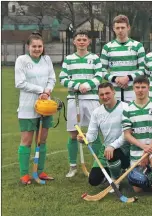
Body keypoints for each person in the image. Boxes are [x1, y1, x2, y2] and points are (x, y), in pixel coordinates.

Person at [59, 30, 103, 177]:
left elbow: (99, 76)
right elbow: (63, 78)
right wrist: (78, 86)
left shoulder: (95, 58)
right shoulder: (69, 59)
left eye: (85, 39)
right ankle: (73, 166)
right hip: (74, 99)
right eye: (79, 39)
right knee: (73, 133)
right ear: (74, 42)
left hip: (91, 99)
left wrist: (87, 85)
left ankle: (98, 165)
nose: (82, 42)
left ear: (89, 42)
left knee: (95, 133)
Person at [15, 32, 57, 184]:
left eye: (40, 46)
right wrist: (40, 90)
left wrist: (47, 91)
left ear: (43, 46)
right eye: (34, 46)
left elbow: (52, 78)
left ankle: (40, 171)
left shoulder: (47, 59)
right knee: (26, 141)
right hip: (27, 107)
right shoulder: (21, 60)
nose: (37, 49)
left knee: (42, 140)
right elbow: (19, 82)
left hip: (45, 106)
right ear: (28, 46)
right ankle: (24, 174)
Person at [122, 76, 152, 196]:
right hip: (137, 148)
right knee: (138, 188)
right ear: (133, 88)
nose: (140, 90)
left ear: (148, 88)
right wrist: (143, 147)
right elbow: (127, 135)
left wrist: (147, 150)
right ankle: (151, 174)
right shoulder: (127, 109)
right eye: (137, 87)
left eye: (143, 87)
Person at [78, 83, 130, 188]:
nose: (105, 97)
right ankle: (111, 173)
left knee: (113, 153)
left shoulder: (126, 107)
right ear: (98, 95)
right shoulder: (97, 112)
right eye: (101, 95)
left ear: (114, 92)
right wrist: (85, 138)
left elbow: (128, 133)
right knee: (93, 180)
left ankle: (115, 180)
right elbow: (92, 135)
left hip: (126, 148)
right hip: (106, 149)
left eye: (107, 93)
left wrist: (113, 146)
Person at [100, 14, 146, 102]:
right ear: (113, 29)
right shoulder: (107, 47)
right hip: (114, 92)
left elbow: (142, 70)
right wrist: (115, 79)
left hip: (132, 91)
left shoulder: (138, 46)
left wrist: (128, 78)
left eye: (122, 27)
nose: (120, 30)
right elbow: (102, 71)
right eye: (117, 28)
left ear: (128, 27)